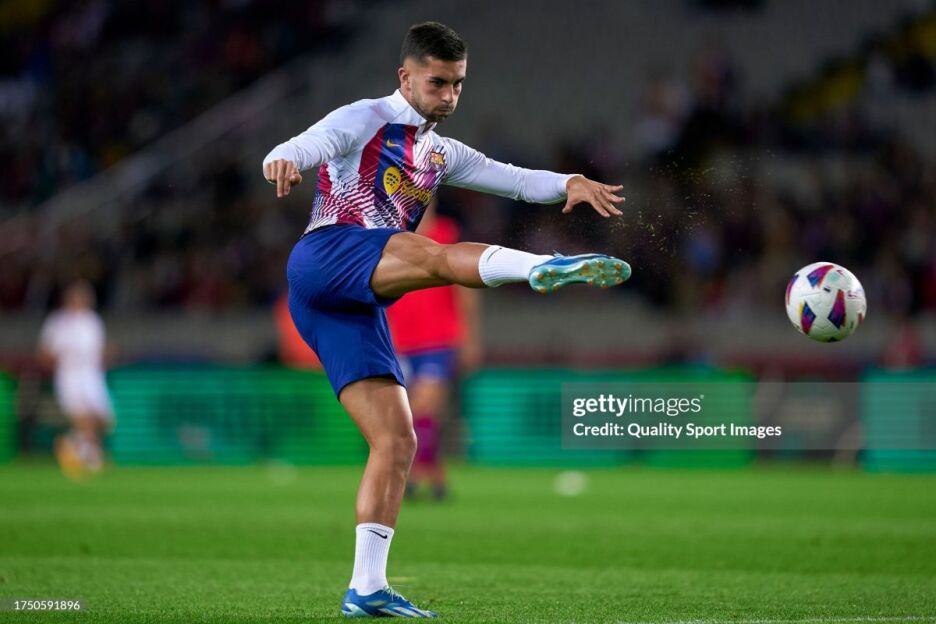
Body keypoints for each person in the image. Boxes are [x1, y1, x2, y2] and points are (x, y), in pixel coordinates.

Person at [263, 22, 630, 618]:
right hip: (327, 257)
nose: (450, 95)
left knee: (397, 439)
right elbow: (306, 143)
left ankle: (366, 588)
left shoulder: (441, 152)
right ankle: (541, 268)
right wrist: (282, 159)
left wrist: (569, 182)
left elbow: (514, 180)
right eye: (438, 82)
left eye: (458, 84)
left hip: (351, 302)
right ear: (405, 77)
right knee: (433, 256)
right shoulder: (364, 117)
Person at [386, 200, 481, 502]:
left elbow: (465, 287)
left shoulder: (447, 233)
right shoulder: (392, 235)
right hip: (398, 339)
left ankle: (414, 477)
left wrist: (469, 336)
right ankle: (435, 475)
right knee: (410, 416)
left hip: (438, 338)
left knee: (423, 408)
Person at [37, 280, 114, 479]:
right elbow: (46, 352)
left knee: (104, 418)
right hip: (69, 374)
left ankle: (72, 443)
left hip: (92, 373)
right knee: (81, 416)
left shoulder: (93, 321)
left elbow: (99, 349)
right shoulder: (57, 322)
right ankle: (90, 455)